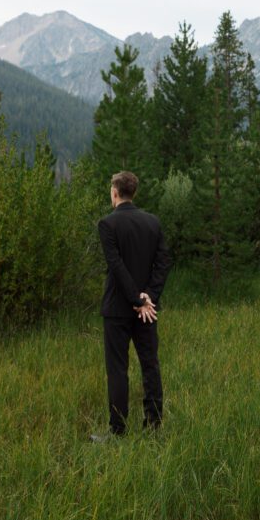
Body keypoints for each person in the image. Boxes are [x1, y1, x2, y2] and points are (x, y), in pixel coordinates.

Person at [93, 170, 171, 439]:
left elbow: (116, 266)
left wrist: (138, 299)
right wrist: (149, 297)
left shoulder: (107, 224)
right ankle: (153, 427)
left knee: (117, 369)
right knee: (150, 365)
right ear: (133, 192)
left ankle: (117, 432)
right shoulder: (153, 223)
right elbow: (163, 264)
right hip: (147, 310)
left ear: (115, 192)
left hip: (117, 310)